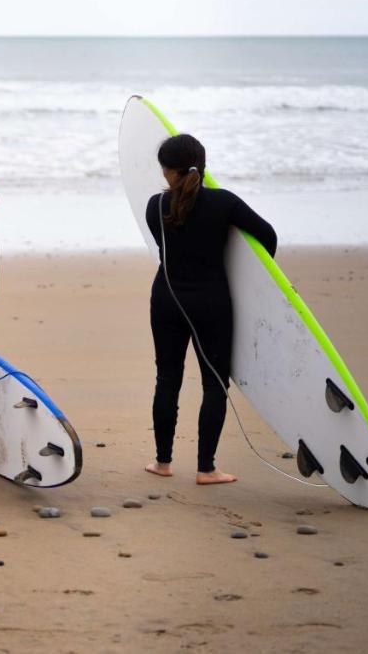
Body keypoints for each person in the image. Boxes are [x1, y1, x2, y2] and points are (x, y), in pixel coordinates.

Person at [144, 133, 277, 486]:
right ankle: (206, 468)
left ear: (167, 171)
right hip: (211, 303)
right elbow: (268, 237)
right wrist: (256, 285)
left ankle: (162, 462)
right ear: (202, 165)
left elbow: (165, 246)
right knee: (214, 384)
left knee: (167, 378)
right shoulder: (225, 203)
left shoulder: (155, 205)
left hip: (167, 299)